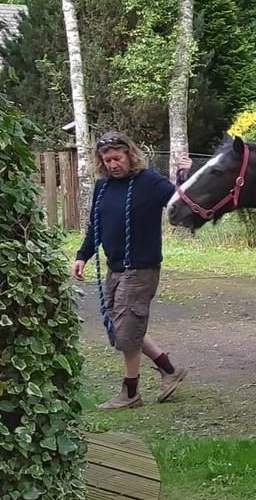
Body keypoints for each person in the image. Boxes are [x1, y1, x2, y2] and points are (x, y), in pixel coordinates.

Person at [73, 131, 187, 410]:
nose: (112, 164)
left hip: (141, 268)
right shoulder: (103, 188)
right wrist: (82, 256)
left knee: (126, 332)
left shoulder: (149, 182)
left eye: (117, 158)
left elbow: (180, 206)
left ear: (130, 155)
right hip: (115, 268)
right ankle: (169, 370)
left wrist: (184, 178)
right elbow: (95, 228)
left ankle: (130, 393)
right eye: (106, 159)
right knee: (123, 329)